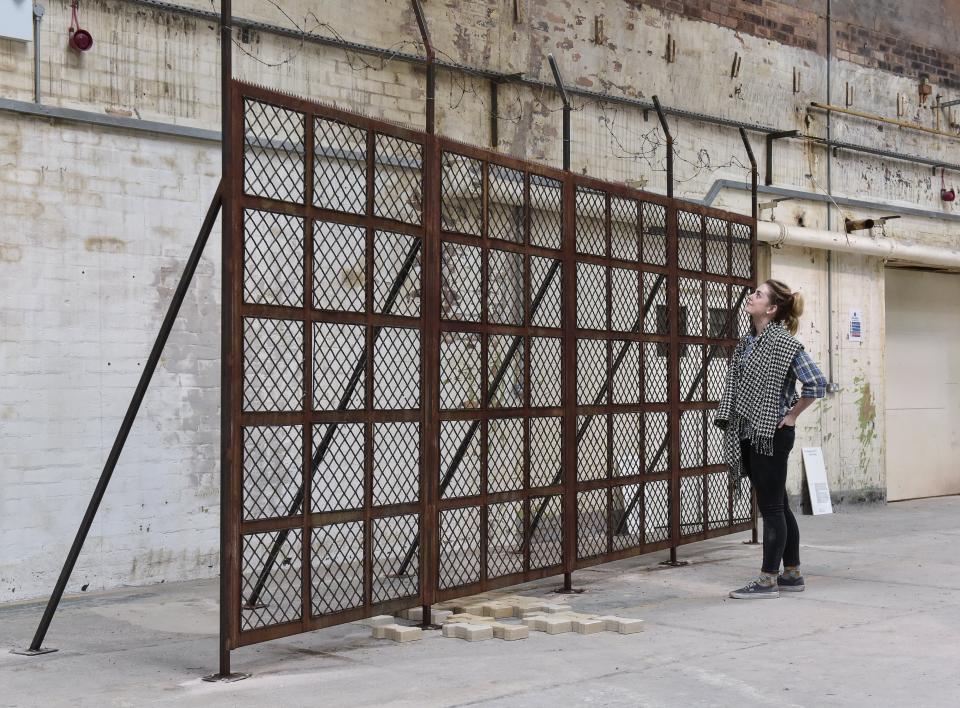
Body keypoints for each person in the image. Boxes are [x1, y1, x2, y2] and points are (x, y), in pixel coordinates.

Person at [714, 279, 827, 599]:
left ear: (772, 308)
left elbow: (817, 383)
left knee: (771, 508)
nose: (751, 296)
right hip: (749, 431)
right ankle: (791, 575)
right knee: (777, 504)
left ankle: (767, 581)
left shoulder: (784, 344)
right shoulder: (748, 342)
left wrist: (791, 415)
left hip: (771, 435)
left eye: (759, 294)